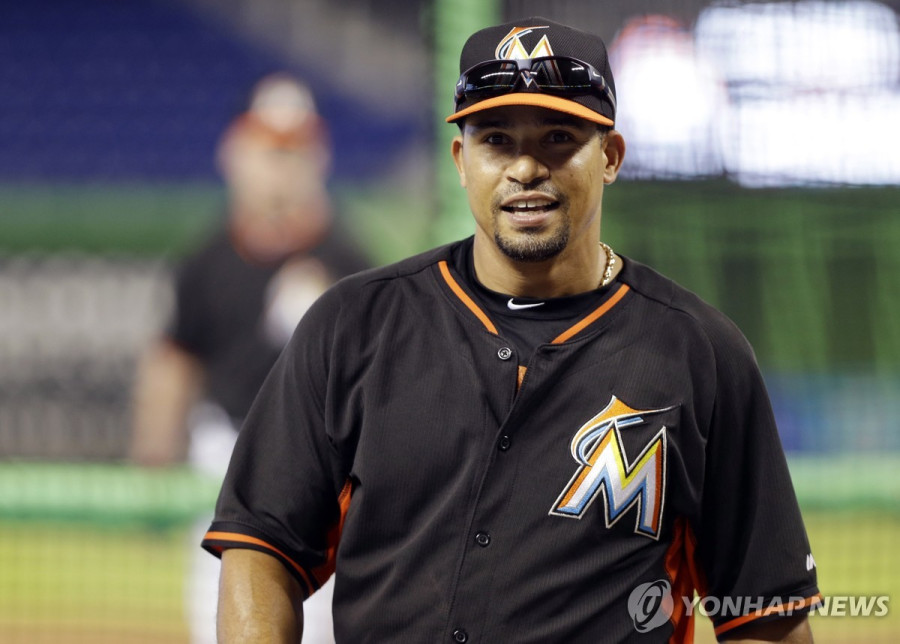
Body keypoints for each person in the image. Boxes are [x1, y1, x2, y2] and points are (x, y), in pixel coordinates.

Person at [202, 19, 821, 643]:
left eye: (558, 138)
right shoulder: (353, 326)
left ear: (610, 157)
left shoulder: (700, 353)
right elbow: (262, 546)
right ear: (461, 161)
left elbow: (766, 611)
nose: (525, 167)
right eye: (497, 140)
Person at [130, 72, 369, 644]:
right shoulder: (207, 259)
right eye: (269, 147)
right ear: (234, 152)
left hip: (322, 465)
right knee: (218, 620)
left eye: (294, 148)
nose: (281, 165)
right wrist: (153, 456)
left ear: (319, 155)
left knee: (319, 628)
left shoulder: (351, 262)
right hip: (223, 457)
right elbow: (175, 359)